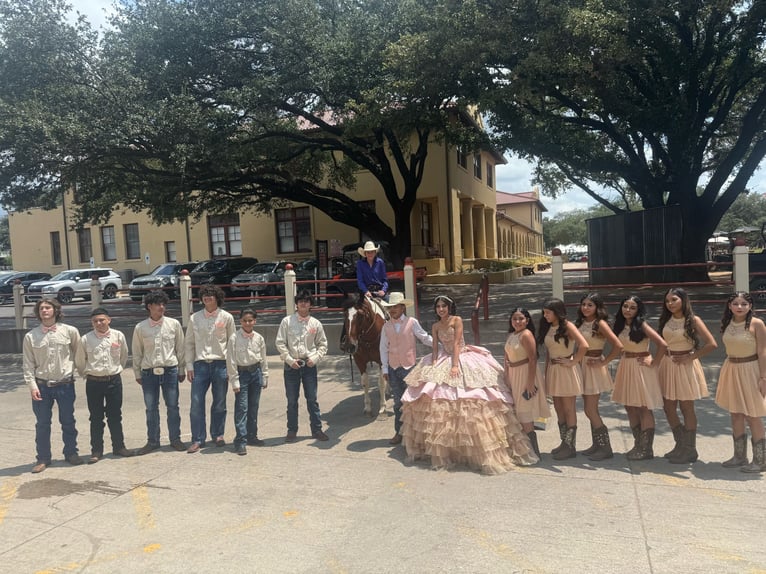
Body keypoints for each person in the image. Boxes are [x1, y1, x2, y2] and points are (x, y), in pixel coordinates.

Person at [401, 295, 538, 474]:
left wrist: (455, 365)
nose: (441, 309)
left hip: (462, 356)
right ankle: (448, 448)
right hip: (443, 356)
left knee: (473, 398)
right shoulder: (435, 326)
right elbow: (435, 346)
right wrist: (433, 363)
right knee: (435, 398)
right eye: (438, 307)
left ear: (450, 307)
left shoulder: (457, 320)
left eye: (444, 306)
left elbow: (457, 343)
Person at [657, 287, 717, 464]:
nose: (670, 304)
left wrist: (690, 357)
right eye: (667, 301)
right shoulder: (666, 319)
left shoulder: (693, 320)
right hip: (667, 365)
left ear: (683, 300)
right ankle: (681, 443)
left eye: (674, 300)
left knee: (686, 408)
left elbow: (711, 344)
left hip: (685, 366)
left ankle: (690, 449)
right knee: (668, 407)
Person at [23, 299, 83, 473]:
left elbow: (79, 355)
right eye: (41, 308)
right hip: (41, 386)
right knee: (42, 423)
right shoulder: (31, 336)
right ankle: (43, 458)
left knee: (68, 421)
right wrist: (32, 386)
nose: (44, 311)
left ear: (56, 310)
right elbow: (28, 364)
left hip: (65, 384)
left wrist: (79, 374)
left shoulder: (70, 331)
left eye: (48, 307)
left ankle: (71, 453)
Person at [714, 292, 766, 473]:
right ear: (729, 306)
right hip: (731, 368)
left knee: (753, 415)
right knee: (736, 413)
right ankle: (739, 456)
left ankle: (760, 460)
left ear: (750, 306)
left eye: (744, 303)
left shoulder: (757, 324)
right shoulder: (727, 323)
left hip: (750, 369)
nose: (740, 307)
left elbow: (762, 352)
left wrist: (763, 377)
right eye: (735, 303)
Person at [611, 296, 667, 460]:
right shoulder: (620, 325)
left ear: (638, 310)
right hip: (626, 365)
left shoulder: (642, 325)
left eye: (632, 307)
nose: (627, 310)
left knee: (643, 407)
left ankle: (646, 448)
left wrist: (654, 362)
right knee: (629, 406)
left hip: (641, 366)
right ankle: (638, 444)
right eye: (625, 306)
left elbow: (662, 344)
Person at [75, 307, 133, 463]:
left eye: (102, 320)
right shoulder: (86, 339)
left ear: (109, 320)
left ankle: (119, 447)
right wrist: (88, 374)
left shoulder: (118, 336)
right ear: (91, 323)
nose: (99, 323)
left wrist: (114, 371)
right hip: (94, 382)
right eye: (95, 321)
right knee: (95, 417)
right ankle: (96, 451)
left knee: (115, 416)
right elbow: (80, 361)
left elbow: (123, 356)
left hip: (114, 381)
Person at [132, 290, 187, 455]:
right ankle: (153, 441)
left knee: (173, 406)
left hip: (170, 370)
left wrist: (182, 369)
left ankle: (175, 439)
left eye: (163, 304)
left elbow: (180, 348)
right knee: (151, 408)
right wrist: (137, 373)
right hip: (149, 372)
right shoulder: (140, 327)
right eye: (157, 304)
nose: (161, 307)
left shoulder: (174, 324)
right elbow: (137, 352)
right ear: (149, 306)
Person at [185, 284, 236, 453]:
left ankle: (218, 434)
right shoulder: (195, 318)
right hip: (200, 365)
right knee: (196, 403)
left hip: (220, 364)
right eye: (204, 295)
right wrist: (189, 365)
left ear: (217, 297)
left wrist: (231, 368)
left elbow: (232, 344)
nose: (207, 298)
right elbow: (189, 343)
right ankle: (198, 439)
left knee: (220, 402)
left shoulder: (227, 317)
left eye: (211, 295)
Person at [537, 298, 589, 460]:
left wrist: (573, 361)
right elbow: (547, 354)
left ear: (557, 312)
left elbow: (584, 345)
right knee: (558, 408)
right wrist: (546, 375)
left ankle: (570, 446)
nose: (545, 315)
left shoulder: (567, 326)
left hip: (566, 371)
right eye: (544, 312)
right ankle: (564, 442)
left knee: (568, 408)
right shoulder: (548, 327)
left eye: (548, 312)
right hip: (553, 370)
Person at [379, 292, 433, 445]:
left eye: (395, 307)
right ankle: (399, 432)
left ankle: (415, 433)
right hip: (393, 368)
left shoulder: (412, 322)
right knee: (398, 403)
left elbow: (424, 337)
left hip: (409, 367)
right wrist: (384, 369)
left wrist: (439, 346)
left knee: (412, 401)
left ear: (402, 307)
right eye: (390, 307)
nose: (392, 310)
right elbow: (383, 348)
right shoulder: (386, 327)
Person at [275, 289, 329, 442]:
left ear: (310, 304)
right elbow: (280, 343)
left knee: (312, 399)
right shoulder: (287, 321)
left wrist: (315, 358)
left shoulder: (315, 324)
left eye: (306, 301)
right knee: (292, 400)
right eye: (300, 301)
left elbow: (322, 344)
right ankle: (292, 430)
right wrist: (289, 360)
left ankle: (317, 430)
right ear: (296, 304)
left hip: (309, 366)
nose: (303, 304)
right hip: (291, 366)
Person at [575, 293, 624, 460]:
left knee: (590, 409)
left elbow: (618, 346)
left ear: (597, 307)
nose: (586, 308)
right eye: (584, 304)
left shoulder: (600, 324)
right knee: (589, 409)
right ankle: (596, 444)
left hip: (593, 367)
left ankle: (605, 447)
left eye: (590, 305)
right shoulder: (581, 323)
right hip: (582, 365)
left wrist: (604, 363)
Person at [504, 307, 550, 458]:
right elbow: (507, 358)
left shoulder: (526, 334)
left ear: (527, 320)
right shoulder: (512, 335)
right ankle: (524, 450)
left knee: (525, 412)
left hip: (525, 375)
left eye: (521, 319)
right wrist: (506, 377)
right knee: (517, 411)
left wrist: (530, 383)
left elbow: (533, 359)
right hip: (513, 374)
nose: (517, 322)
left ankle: (533, 452)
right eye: (515, 319)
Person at [227, 308, 269, 455]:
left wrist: (265, 376)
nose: (247, 323)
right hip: (242, 374)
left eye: (250, 320)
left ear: (255, 321)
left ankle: (252, 436)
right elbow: (231, 361)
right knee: (242, 408)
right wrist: (235, 381)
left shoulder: (259, 338)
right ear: (240, 321)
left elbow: (263, 358)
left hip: (255, 373)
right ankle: (240, 441)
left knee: (253, 407)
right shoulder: (234, 338)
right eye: (244, 320)